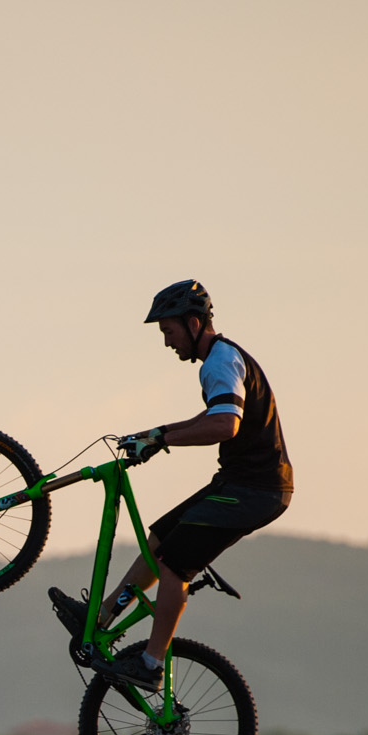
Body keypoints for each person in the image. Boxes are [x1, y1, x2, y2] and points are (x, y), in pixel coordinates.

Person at [48, 278, 293, 689]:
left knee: (173, 564)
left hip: (256, 490)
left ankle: (150, 665)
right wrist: (156, 434)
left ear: (194, 323)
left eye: (169, 331)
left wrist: (161, 437)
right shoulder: (218, 360)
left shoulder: (221, 361)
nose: (167, 342)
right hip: (240, 483)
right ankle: (105, 615)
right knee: (160, 537)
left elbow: (224, 425)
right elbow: (207, 421)